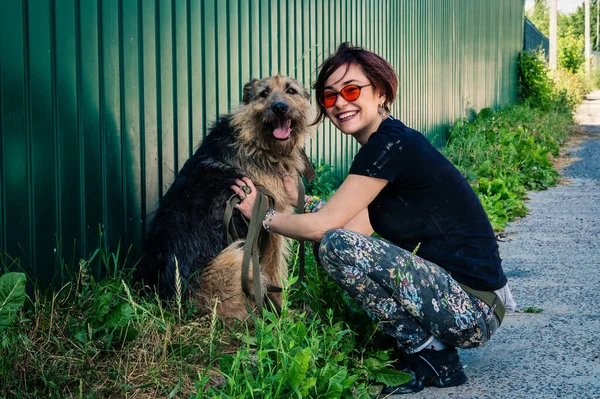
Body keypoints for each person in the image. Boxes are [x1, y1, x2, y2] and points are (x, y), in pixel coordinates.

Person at [231, 42, 516, 394]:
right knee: (339, 244)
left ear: (380, 92)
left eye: (351, 90)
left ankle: (431, 356)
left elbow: (328, 231)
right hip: (470, 305)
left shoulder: (389, 146)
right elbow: (354, 226)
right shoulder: (388, 145)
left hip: (473, 309)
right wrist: (300, 200)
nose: (340, 104)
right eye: (330, 97)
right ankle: (433, 358)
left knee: (333, 246)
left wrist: (265, 215)